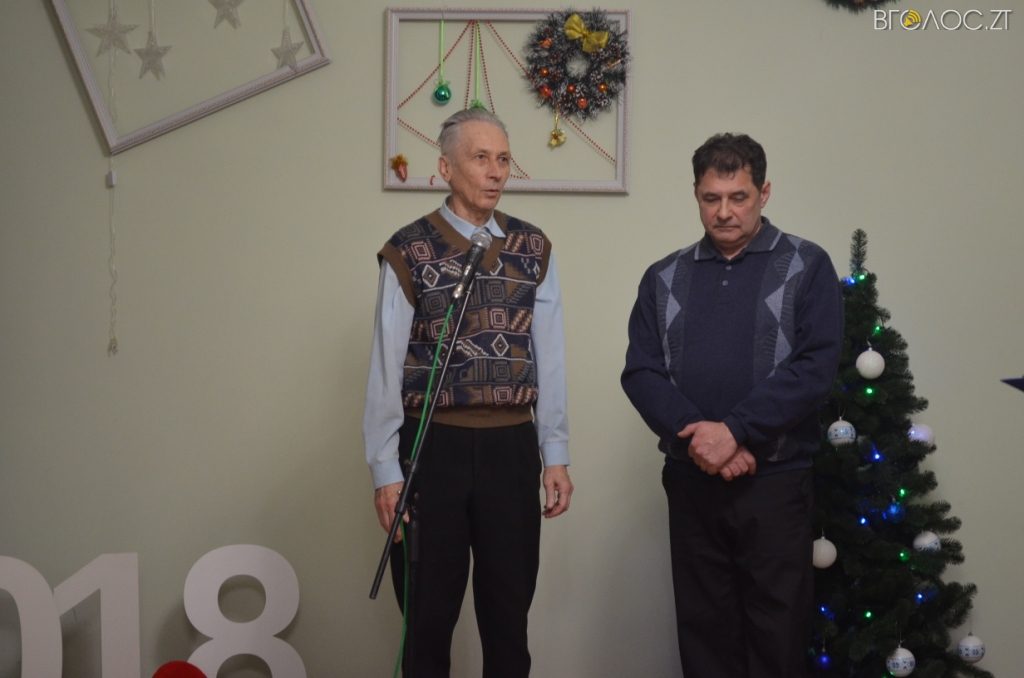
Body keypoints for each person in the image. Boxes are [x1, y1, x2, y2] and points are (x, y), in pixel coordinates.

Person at [620, 133, 843, 678]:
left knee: (777, 635)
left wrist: (737, 431)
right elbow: (641, 371)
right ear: (696, 195)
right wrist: (703, 437)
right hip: (691, 482)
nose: (724, 212)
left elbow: (815, 368)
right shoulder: (663, 277)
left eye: (738, 197)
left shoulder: (807, 266)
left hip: (776, 484)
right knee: (703, 634)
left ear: (764, 193)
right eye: (711, 198)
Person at [363, 107, 573, 678]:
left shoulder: (533, 248)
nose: (495, 171)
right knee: (426, 623)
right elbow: (385, 366)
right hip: (431, 450)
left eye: (503, 158)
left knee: (508, 621)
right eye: (480, 158)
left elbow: (549, 356)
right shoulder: (408, 249)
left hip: (512, 449)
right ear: (445, 169)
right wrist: (385, 469)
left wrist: (555, 453)